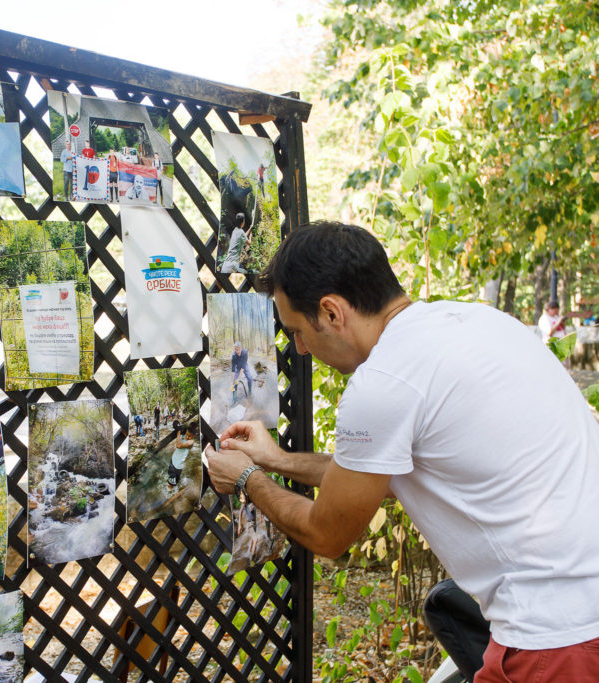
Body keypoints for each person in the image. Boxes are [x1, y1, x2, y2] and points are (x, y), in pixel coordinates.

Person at [205, 221, 599, 682]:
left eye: (297, 330)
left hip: (556, 638)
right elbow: (380, 477)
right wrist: (275, 459)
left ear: (332, 312)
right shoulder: (478, 323)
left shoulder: (384, 382)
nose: (299, 348)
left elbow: (328, 533)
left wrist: (249, 480)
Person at [167, 424, 194, 488]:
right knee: (173, 480)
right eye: (187, 434)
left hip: (177, 466)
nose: (187, 437)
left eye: (189, 436)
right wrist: (179, 428)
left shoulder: (191, 442)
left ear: (194, 436)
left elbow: (178, 445)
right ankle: (174, 488)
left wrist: (178, 433)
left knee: (170, 484)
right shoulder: (185, 436)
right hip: (174, 461)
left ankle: (171, 491)